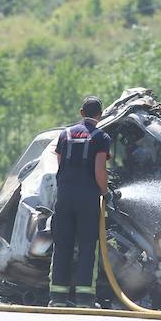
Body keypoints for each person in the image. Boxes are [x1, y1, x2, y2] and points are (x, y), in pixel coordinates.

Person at [49, 96, 112, 308]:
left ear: (81, 112)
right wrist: (105, 191)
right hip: (87, 198)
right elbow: (99, 170)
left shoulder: (64, 134)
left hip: (64, 196)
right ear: (100, 115)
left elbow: (60, 164)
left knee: (62, 245)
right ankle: (85, 299)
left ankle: (57, 298)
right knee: (87, 247)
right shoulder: (101, 137)